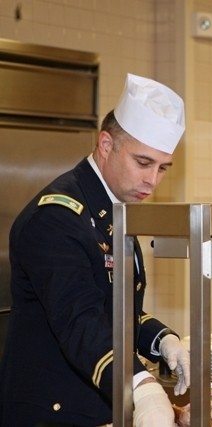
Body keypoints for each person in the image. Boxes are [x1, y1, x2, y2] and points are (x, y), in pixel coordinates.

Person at [0, 73, 191, 426]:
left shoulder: (112, 207)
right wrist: (142, 386)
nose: (153, 181)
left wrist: (163, 340)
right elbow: (81, 321)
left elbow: (112, 306)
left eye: (163, 168)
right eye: (143, 162)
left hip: (98, 405)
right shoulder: (56, 218)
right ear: (106, 145)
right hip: (53, 413)